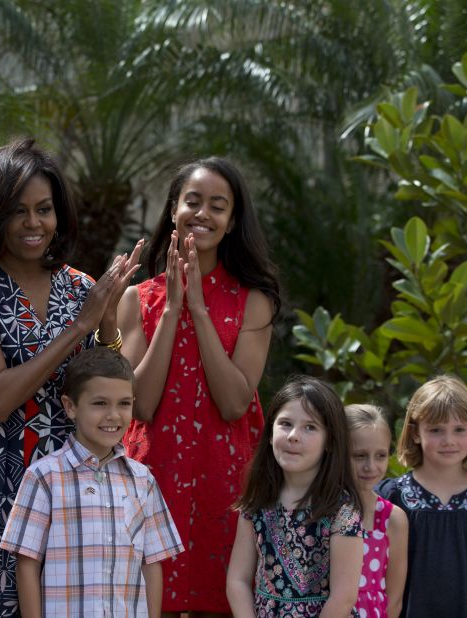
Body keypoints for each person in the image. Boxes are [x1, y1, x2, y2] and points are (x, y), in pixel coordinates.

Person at [0, 137, 140, 616]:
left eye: (44, 209)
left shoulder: (79, 286)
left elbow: (107, 379)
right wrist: (81, 325)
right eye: (18, 211)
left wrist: (107, 330)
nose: (34, 224)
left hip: (74, 485)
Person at [119, 156, 280, 616]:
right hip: (154, 479)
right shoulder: (138, 299)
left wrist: (199, 308)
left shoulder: (253, 301)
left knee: (223, 601)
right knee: (151, 605)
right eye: (193, 201)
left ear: (231, 223)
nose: (203, 213)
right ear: (173, 209)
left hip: (226, 484)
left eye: (218, 205)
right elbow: (141, 405)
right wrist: (172, 311)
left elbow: (234, 402)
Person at [0, 347, 184, 617]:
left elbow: (152, 563)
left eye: (124, 403)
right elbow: (27, 564)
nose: (113, 415)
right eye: (100, 403)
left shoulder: (142, 480)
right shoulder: (44, 477)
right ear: (70, 407)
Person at [226, 376, 364, 618]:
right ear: (269, 434)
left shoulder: (342, 509)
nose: (293, 436)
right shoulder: (256, 502)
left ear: (330, 441)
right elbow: (237, 580)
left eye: (310, 427)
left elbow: (343, 597)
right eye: (286, 424)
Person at [378, 375, 467, 618]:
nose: (449, 440)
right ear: (415, 433)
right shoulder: (392, 496)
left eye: (459, 429)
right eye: (436, 430)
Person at [344, 404, 408, 618]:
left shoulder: (393, 518)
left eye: (380, 455)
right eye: (359, 455)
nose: (370, 466)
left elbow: (394, 600)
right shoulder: (318, 510)